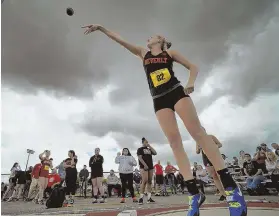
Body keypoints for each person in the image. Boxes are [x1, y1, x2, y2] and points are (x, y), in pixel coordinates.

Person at [82, 24, 247, 215]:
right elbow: (120, 40)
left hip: (176, 92)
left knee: (198, 134)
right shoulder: (143, 53)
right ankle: (194, 193)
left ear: (160, 39)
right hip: (159, 100)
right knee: (175, 143)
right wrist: (101, 28)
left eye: (151, 36)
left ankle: (232, 188)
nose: (147, 38)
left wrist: (190, 83)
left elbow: (193, 66)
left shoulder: (170, 54)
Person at [196, 133, 226, 201]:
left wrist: (211, 147)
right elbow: (197, 151)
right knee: (214, 176)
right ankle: (223, 194)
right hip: (206, 158)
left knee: (220, 175)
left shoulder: (211, 137)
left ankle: (228, 191)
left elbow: (220, 144)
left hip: (214, 156)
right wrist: (199, 148)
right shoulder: (198, 141)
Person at [136, 138, 156, 205]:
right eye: (146, 142)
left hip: (150, 167)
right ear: (143, 142)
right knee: (144, 181)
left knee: (149, 181)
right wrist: (145, 165)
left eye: (147, 142)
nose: (147, 143)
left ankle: (149, 198)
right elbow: (140, 158)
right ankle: (141, 198)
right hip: (143, 167)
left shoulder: (149, 149)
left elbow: (155, 153)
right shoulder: (140, 149)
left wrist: (149, 146)